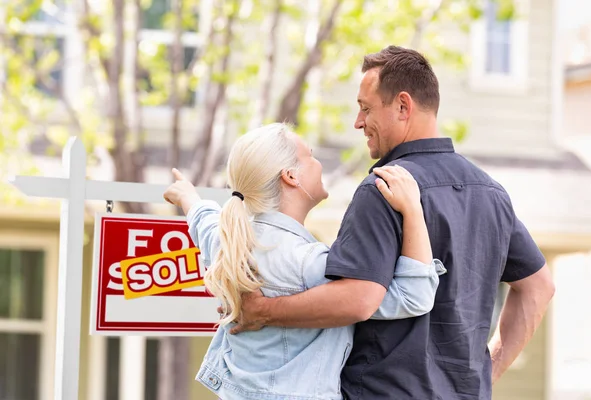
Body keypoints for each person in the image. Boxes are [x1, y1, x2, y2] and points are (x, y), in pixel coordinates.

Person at [230, 46, 556, 399]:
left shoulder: (383, 189)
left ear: (403, 106)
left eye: (366, 108)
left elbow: (357, 300)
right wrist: (484, 376)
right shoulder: (490, 193)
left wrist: (265, 311)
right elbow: (539, 287)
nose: (358, 122)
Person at [163, 123, 446, 400]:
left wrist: (187, 196)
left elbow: (204, 220)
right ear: (291, 176)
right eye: (310, 156)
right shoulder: (308, 264)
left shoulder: (228, 243)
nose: (318, 162)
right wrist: (412, 209)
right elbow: (412, 295)